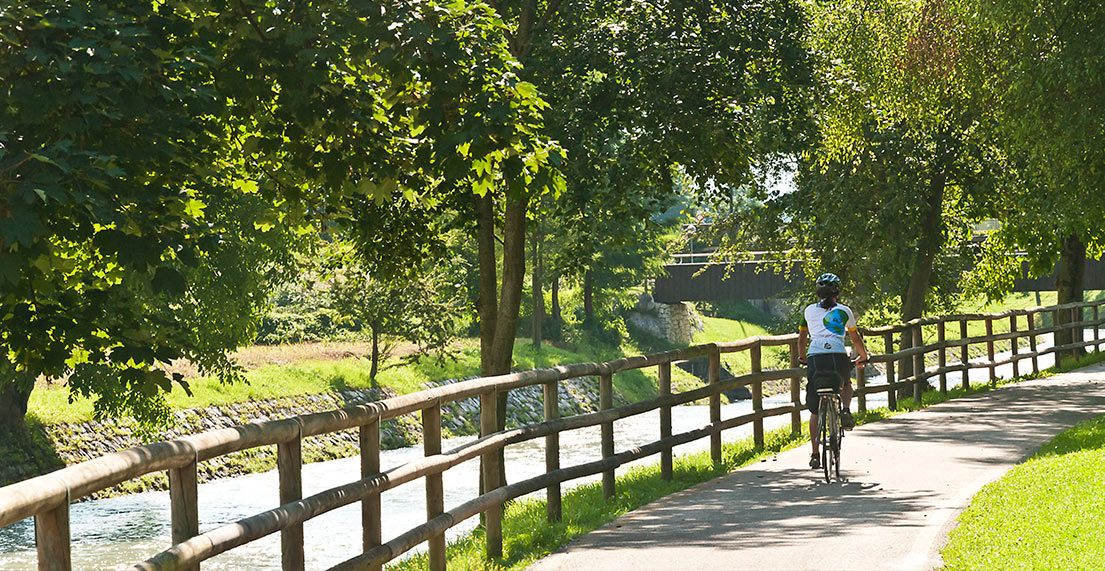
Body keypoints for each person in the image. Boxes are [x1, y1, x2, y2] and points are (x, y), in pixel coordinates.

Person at [797, 273, 869, 470]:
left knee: (814, 409)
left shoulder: (808, 311)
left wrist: (802, 357)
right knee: (846, 383)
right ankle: (845, 410)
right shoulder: (845, 311)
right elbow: (855, 338)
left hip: (816, 357)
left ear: (818, 293)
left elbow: (802, 338)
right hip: (837, 354)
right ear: (837, 293)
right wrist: (862, 356)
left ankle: (814, 453)